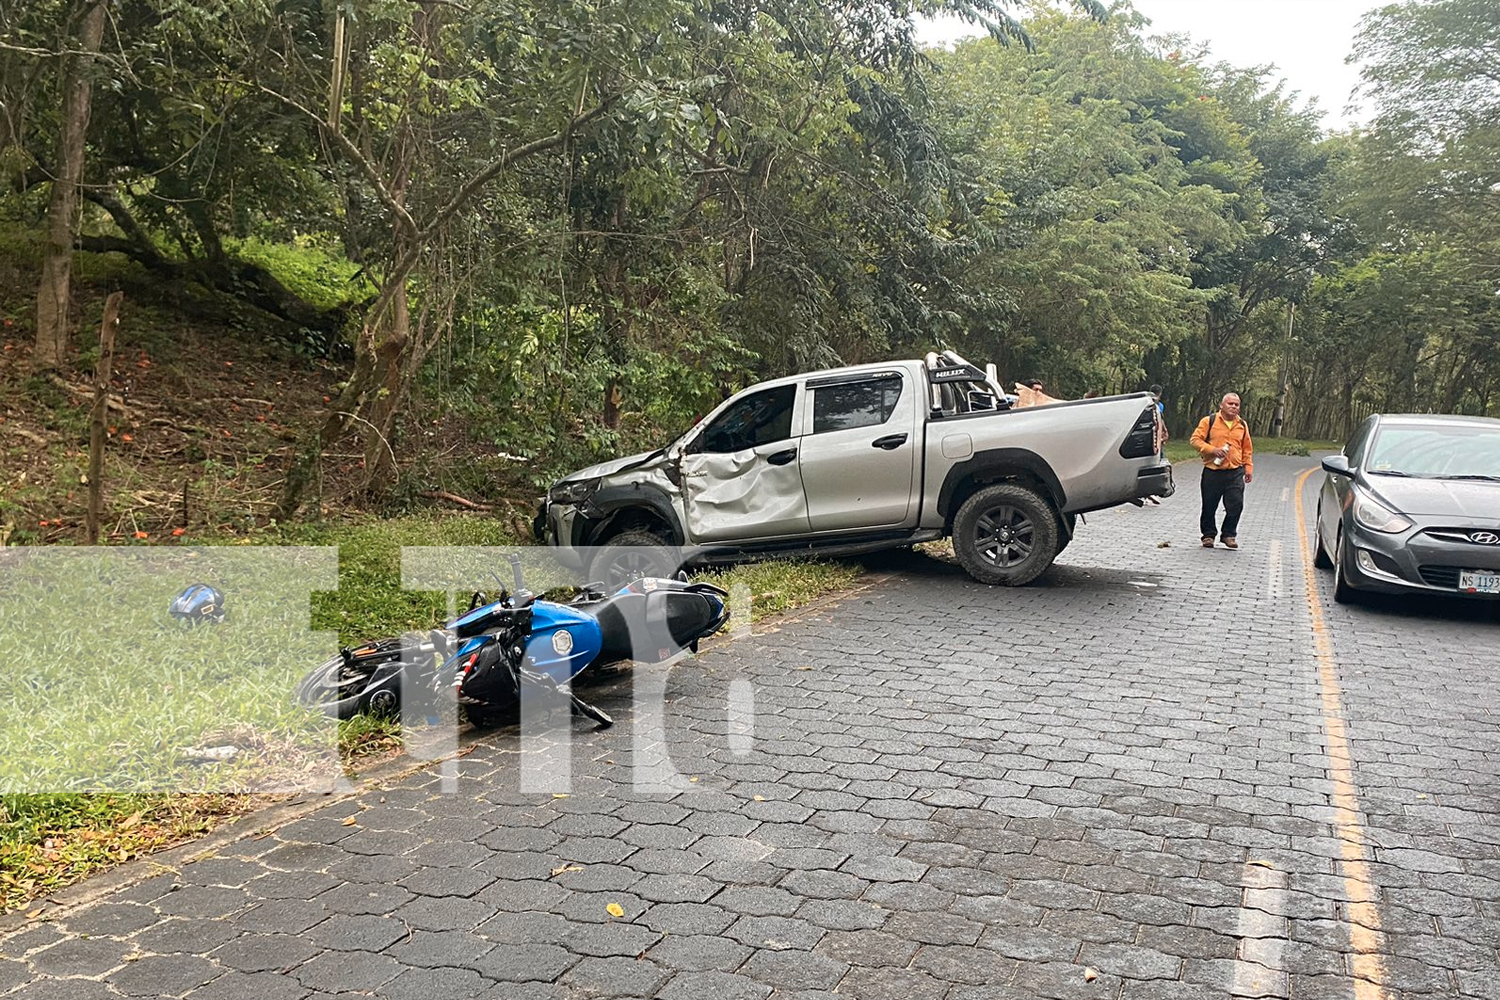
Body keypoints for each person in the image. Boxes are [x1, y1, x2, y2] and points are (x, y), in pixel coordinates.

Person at [1190, 393, 1253, 548]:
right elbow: (1195, 440)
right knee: (1209, 505)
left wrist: (1248, 467)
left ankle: (1229, 534)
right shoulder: (1209, 421)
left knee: (1236, 504)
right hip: (1213, 471)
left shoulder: (1242, 425)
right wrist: (1212, 450)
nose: (1233, 407)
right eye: (1230, 403)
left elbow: (1247, 448)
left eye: (1236, 404)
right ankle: (1208, 535)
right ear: (1221, 405)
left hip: (1235, 471)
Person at [1148, 384, 1167, 504]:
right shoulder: (1157, 405)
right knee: (1157, 462)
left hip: (1151, 436)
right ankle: (1151, 491)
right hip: (1154, 438)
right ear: (1160, 394)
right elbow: (1160, 421)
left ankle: (1149, 492)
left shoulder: (1145, 403)